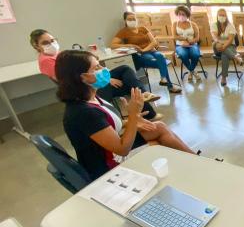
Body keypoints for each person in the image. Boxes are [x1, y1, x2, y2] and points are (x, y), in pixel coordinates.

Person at [56, 50, 196, 180]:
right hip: (108, 166)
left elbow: (106, 124)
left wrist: (131, 121)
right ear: (83, 77)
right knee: (157, 141)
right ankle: (196, 164)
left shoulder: (91, 98)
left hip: (111, 151)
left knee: (158, 126)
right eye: (97, 68)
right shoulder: (83, 112)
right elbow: (122, 149)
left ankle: (196, 160)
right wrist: (133, 116)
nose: (104, 70)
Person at [30, 29, 162, 120]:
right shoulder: (46, 61)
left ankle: (143, 97)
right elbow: (76, 79)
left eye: (53, 40)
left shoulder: (58, 55)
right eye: (46, 42)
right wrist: (108, 80)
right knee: (129, 84)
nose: (52, 44)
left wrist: (104, 74)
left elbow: (85, 69)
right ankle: (144, 109)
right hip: (85, 89)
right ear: (36, 46)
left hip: (88, 81)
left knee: (125, 69)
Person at [111, 12, 181, 93]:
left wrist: (144, 49)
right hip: (141, 55)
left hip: (151, 50)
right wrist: (130, 45)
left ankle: (163, 79)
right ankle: (170, 86)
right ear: (125, 20)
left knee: (160, 56)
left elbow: (154, 42)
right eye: (129, 19)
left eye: (134, 19)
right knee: (161, 62)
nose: (132, 20)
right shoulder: (123, 32)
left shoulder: (143, 28)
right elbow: (113, 45)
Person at [210, 8, 243, 86]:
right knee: (217, 45)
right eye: (220, 15)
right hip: (217, 47)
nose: (222, 16)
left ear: (226, 16)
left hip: (229, 46)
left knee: (224, 56)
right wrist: (221, 43)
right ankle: (236, 57)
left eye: (223, 15)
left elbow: (230, 40)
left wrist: (224, 46)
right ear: (217, 16)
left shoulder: (230, 25)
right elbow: (215, 38)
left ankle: (223, 78)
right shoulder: (214, 25)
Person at [172, 5, 201, 83]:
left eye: (183, 14)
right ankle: (192, 71)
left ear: (187, 15)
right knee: (182, 55)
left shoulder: (193, 24)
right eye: (179, 14)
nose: (181, 16)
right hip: (180, 45)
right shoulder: (175, 24)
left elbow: (197, 38)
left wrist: (190, 41)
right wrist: (185, 39)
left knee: (195, 54)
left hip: (192, 44)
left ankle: (190, 71)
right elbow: (174, 36)